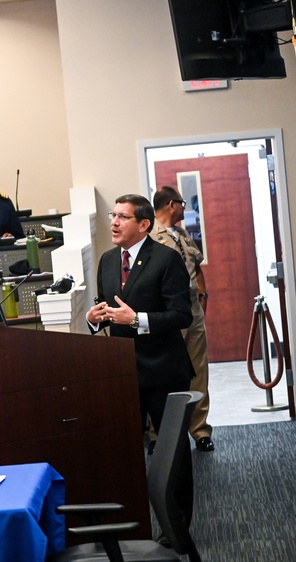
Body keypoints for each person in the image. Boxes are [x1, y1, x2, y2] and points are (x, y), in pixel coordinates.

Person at [87, 193, 195, 529]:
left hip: (164, 372)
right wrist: (95, 318)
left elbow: (182, 316)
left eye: (122, 217)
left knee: (172, 455)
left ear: (143, 224)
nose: (114, 222)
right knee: (124, 455)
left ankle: (176, 528)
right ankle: (133, 524)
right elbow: (110, 310)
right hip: (122, 375)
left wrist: (138, 320)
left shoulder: (165, 259)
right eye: (112, 215)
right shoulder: (106, 260)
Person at [152, 186, 213, 452]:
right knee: (166, 374)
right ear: (170, 205)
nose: (184, 207)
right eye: (181, 203)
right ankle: (159, 434)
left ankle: (199, 430)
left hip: (192, 311)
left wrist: (203, 297)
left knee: (198, 371)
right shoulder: (150, 236)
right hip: (169, 313)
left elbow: (196, 268)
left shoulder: (181, 233)